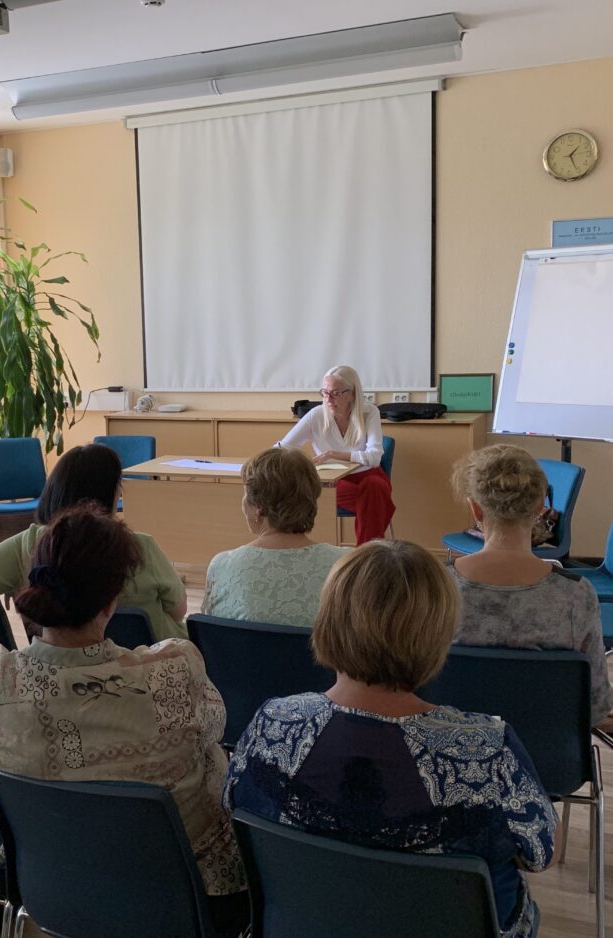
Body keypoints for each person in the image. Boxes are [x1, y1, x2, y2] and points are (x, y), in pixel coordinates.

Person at [0, 506, 248, 937]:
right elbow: (216, 725)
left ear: (34, 585)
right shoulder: (176, 669)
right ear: (111, 601)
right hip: (187, 899)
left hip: (48, 887)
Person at [224, 540, 558, 938]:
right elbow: (541, 853)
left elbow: (234, 808)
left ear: (329, 619)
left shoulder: (271, 724)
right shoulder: (487, 751)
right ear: (438, 634)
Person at [0, 443, 188, 641]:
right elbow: (179, 611)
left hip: (60, 667)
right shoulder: (141, 547)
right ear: (110, 496)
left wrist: (14, 581)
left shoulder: (30, 543)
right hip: (153, 664)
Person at [449, 444, 613, 728]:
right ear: (539, 508)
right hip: (547, 753)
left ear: (475, 508)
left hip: (452, 748)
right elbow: (595, 708)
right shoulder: (576, 595)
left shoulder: (438, 587)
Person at [202, 447, 347, 626]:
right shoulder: (346, 564)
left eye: (245, 494)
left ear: (258, 507)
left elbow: (212, 628)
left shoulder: (222, 565)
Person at [276, 364, 394, 544]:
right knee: (374, 500)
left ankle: (366, 552)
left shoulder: (369, 412)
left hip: (367, 476)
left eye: (336, 393)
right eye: (325, 392)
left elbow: (374, 458)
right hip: (333, 481)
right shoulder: (316, 415)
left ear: (352, 393)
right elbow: (283, 448)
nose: (329, 399)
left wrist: (333, 454)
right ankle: (370, 553)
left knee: (374, 487)